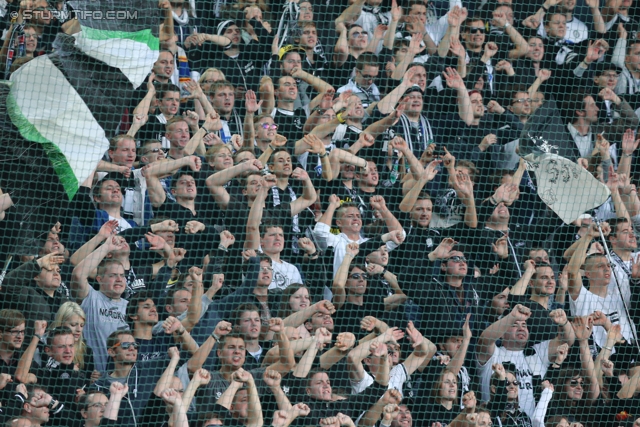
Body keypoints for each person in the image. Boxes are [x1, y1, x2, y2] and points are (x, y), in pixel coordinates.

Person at [476, 304, 576, 420]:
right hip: (496, 421)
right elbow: (484, 339)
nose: (521, 328)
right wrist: (512, 316)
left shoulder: (536, 353)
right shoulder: (494, 354)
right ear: (502, 333)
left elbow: (567, 341)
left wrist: (564, 323)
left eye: (524, 325)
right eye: (514, 325)